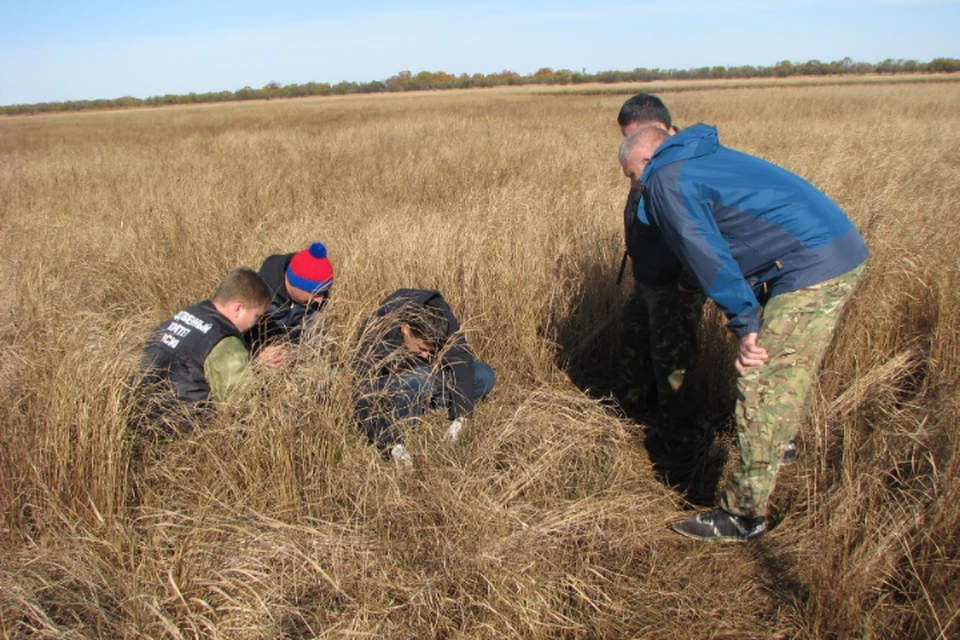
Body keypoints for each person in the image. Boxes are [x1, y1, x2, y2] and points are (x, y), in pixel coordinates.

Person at [618, 124, 868, 541]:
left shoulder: (664, 178)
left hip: (813, 267)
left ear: (646, 160)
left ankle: (743, 515)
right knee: (781, 374)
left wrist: (746, 322)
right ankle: (775, 447)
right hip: (829, 250)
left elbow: (705, 251)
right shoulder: (697, 159)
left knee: (762, 381)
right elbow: (738, 237)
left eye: (629, 174)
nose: (633, 184)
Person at [615, 94, 706, 458]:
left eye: (634, 136)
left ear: (663, 129)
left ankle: (682, 443)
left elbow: (702, 237)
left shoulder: (686, 165)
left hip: (675, 286)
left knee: (673, 363)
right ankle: (637, 415)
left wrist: (688, 284)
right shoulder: (651, 156)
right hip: (648, 280)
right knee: (633, 342)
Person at [352, 289, 496, 467]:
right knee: (422, 379)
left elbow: (461, 361)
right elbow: (362, 393)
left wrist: (461, 416)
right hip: (397, 386)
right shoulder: (377, 329)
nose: (427, 355)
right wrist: (390, 444)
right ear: (406, 329)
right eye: (421, 349)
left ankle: (432, 404)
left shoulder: (441, 317)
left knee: (484, 375)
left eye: (431, 349)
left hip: (431, 376)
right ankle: (404, 420)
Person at [135, 267, 273, 436]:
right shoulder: (226, 342)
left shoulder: (186, 314)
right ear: (238, 309)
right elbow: (243, 408)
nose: (258, 323)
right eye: (257, 316)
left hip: (141, 417)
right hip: (184, 435)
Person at [248, 242, 335, 366]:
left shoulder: (314, 301)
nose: (320, 300)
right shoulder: (255, 294)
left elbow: (315, 344)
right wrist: (258, 354)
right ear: (295, 284)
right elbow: (233, 337)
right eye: (315, 293)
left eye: (324, 292)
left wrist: (290, 354)